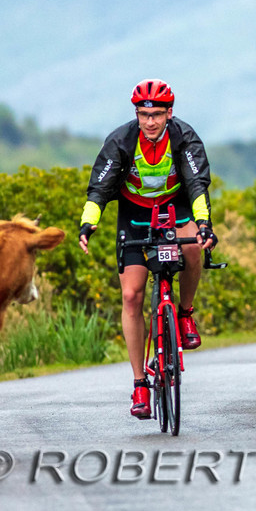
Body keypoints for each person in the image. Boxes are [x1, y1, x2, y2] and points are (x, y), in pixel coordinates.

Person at [77, 79, 218, 419]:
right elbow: (98, 188)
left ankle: (184, 314)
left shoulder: (184, 137)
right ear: (136, 114)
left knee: (194, 248)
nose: (150, 121)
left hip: (176, 207)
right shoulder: (121, 141)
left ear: (169, 113)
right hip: (134, 215)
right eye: (144, 114)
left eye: (157, 114)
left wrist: (204, 224)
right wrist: (88, 223)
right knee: (131, 296)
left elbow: (197, 184)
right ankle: (140, 382)